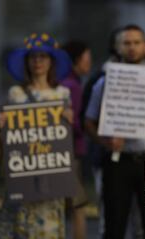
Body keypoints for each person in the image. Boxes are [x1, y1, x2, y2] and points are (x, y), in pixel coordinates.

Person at [85, 24, 145, 239]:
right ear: (117, 47)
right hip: (116, 162)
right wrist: (105, 142)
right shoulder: (103, 82)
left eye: (137, 42)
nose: (132, 47)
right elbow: (88, 121)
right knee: (114, 224)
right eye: (126, 43)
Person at [0, 33, 72, 238]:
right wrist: (1, 126)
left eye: (43, 57)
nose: (38, 61)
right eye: (33, 57)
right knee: (21, 227)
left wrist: (69, 121)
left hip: (52, 176)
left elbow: (65, 138)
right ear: (26, 62)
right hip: (23, 175)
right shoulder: (15, 94)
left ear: (51, 62)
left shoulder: (63, 94)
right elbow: (7, 139)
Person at [61, 40, 92, 239]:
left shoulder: (61, 82)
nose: (89, 63)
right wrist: (86, 129)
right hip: (70, 152)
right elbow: (73, 122)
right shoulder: (72, 86)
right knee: (78, 207)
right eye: (87, 58)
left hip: (61, 151)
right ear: (76, 60)